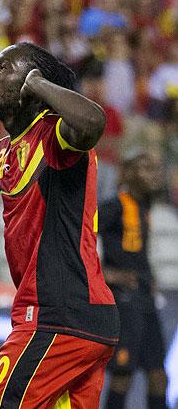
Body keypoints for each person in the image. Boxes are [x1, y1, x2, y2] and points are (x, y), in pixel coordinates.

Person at [0, 42, 119, 408]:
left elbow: (93, 124)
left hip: (57, 314)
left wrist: (38, 83)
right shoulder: (6, 152)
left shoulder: (55, 136)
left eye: (3, 67)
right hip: (78, 317)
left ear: (28, 86)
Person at [100, 151, 169, 409]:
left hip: (145, 299)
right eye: (146, 169)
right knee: (122, 375)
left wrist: (147, 275)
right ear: (128, 174)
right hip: (123, 301)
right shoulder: (113, 206)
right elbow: (80, 237)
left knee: (158, 375)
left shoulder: (144, 204)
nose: (155, 174)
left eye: (156, 169)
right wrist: (107, 274)